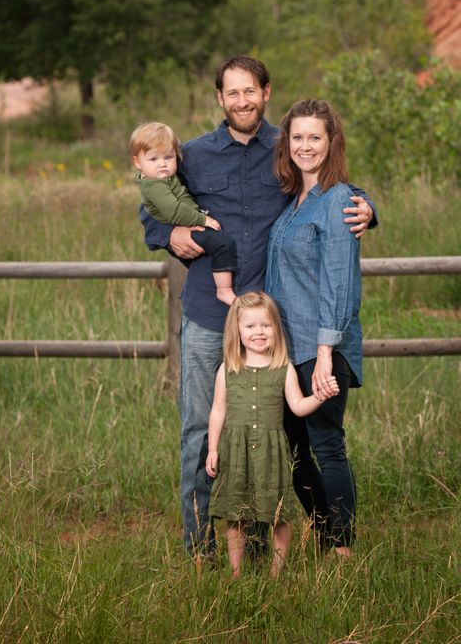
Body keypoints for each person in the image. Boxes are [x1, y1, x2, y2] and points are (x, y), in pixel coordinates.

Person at [140, 55, 377, 557]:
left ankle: (261, 539)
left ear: (266, 92)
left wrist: (370, 209)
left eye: (251, 91)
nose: (242, 101)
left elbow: (332, 190)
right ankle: (202, 548)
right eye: (232, 93)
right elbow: (152, 200)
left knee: (266, 435)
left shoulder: (287, 146)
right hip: (210, 316)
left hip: (272, 325)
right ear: (220, 99)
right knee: (203, 430)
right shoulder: (196, 154)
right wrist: (170, 232)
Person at [265, 98, 365, 559]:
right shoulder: (293, 201)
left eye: (315, 137)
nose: (305, 146)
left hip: (321, 347)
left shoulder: (339, 199)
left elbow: (339, 282)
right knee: (295, 454)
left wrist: (325, 351)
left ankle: (341, 550)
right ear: (288, 142)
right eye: (298, 137)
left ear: (331, 142)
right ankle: (326, 536)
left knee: (327, 446)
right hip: (287, 351)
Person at [206, 292, 339, 577]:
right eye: (251, 326)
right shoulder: (228, 369)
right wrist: (213, 449)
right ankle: (236, 573)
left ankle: (276, 573)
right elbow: (218, 410)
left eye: (265, 325)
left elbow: (299, 406)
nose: (259, 332)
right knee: (237, 515)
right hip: (236, 451)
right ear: (237, 330)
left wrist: (320, 395)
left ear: (275, 329)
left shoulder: (284, 368)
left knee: (278, 513)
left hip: (272, 452)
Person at [130, 121, 237, 306]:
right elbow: (173, 210)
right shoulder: (155, 185)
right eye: (153, 159)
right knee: (222, 244)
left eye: (168, 157)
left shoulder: (165, 178)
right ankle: (224, 290)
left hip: (189, 221)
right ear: (137, 162)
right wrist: (202, 219)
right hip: (188, 224)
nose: (162, 164)